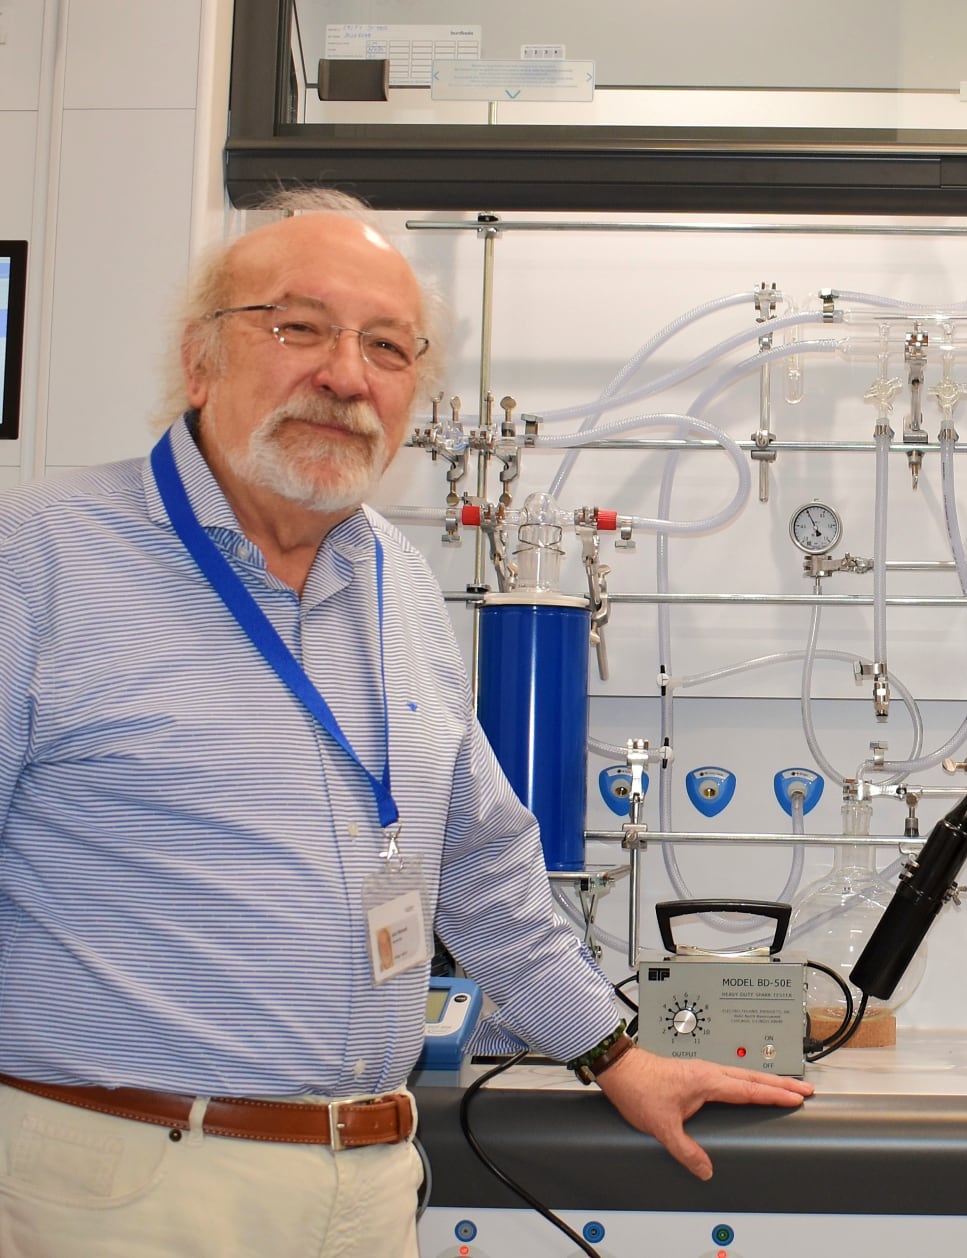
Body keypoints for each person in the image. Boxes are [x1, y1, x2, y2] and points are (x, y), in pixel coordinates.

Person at [0, 190, 811, 1258]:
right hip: (124, 1184)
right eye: (298, 327)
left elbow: (477, 866)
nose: (345, 375)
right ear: (200, 360)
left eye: (386, 346)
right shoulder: (41, 560)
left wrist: (615, 1051)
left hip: (369, 1186)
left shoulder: (394, 579)